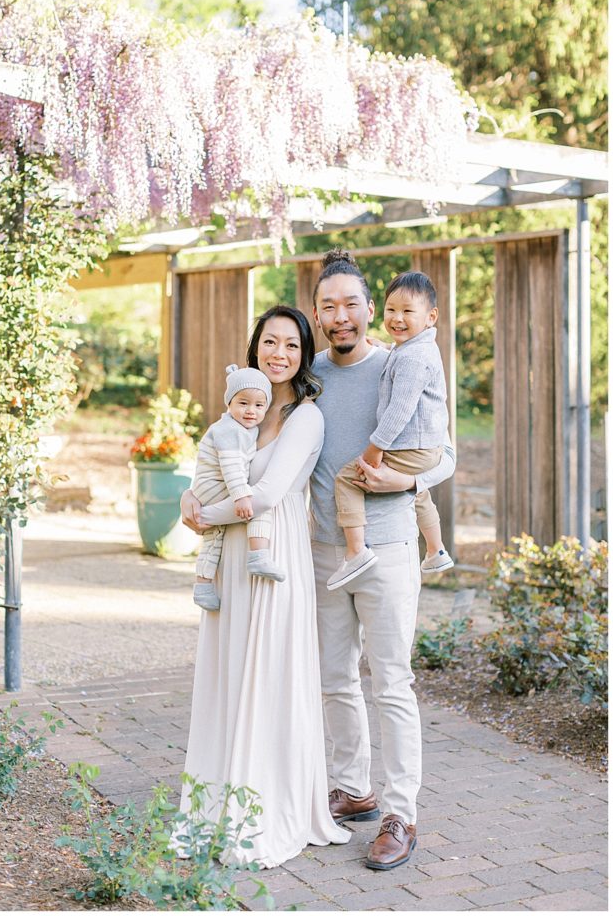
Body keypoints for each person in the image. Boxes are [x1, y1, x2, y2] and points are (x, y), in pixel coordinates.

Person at [179, 305, 351, 868]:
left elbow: (271, 494)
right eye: (270, 342)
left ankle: (264, 807)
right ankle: (215, 800)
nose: (280, 354)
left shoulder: (306, 418)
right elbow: (209, 466)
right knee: (228, 674)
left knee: (268, 676)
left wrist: (205, 515)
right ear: (255, 348)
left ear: (304, 356)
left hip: (274, 558)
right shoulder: (239, 413)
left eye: (292, 346)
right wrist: (190, 497)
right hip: (231, 559)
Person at [310, 248, 456, 871]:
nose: (340, 316)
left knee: (391, 682)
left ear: (372, 310)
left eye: (351, 304)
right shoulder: (305, 372)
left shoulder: (403, 364)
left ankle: (401, 812)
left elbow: (443, 454)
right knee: (335, 679)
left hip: (391, 546)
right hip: (323, 548)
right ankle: (354, 788)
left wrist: (403, 485)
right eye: (327, 306)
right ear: (317, 313)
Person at [329, 269, 453, 590]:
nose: (397, 318)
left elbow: (399, 411)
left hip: (410, 447)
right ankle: (436, 549)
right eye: (391, 310)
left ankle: (356, 551)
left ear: (431, 317)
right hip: (427, 451)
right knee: (418, 493)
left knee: (348, 479)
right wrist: (385, 346)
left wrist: (375, 447)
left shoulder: (413, 358)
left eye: (408, 311)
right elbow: (402, 359)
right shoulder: (413, 349)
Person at [191, 363, 285, 612]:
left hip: (208, 487)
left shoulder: (244, 429)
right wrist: (242, 496)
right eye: (243, 403)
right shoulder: (229, 430)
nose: (251, 411)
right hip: (214, 484)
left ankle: (202, 585)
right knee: (260, 506)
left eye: (258, 405)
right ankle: (259, 556)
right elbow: (232, 466)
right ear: (229, 403)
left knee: (214, 536)